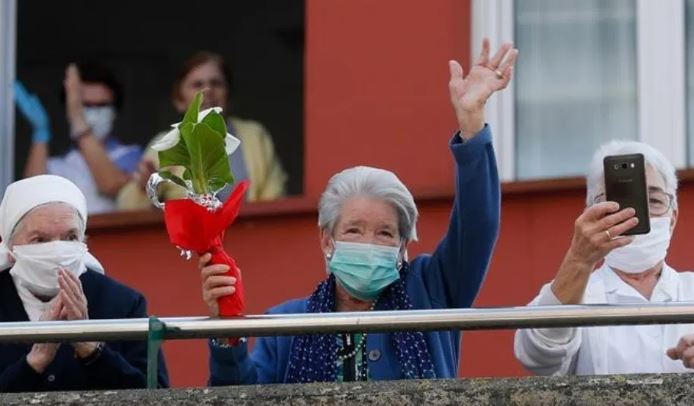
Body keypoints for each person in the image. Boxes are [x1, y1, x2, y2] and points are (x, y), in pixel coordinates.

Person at [200, 39, 517, 384]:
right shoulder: (286, 324)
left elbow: (478, 226)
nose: (369, 243)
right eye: (353, 230)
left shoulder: (431, 290)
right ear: (327, 239)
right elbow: (239, 395)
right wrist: (226, 328)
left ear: (402, 245)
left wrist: (471, 122)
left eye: (385, 233)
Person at [514, 140, 694, 375]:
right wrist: (578, 259)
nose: (636, 216)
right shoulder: (572, 294)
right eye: (617, 202)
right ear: (592, 215)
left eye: (654, 201)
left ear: (672, 219)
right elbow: (539, 355)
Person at [0, 175, 168, 391]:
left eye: (70, 237)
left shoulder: (123, 303)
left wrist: (90, 346)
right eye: (40, 240)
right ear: (11, 248)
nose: (57, 250)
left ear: (83, 241)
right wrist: (35, 362)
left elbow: (156, 393)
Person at [117, 51, 287, 209]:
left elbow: (275, 197)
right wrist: (145, 188)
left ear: (228, 93)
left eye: (216, 83)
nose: (208, 91)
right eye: (197, 85)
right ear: (180, 100)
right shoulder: (167, 142)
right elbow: (127, 208)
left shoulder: (255, 135)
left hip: (248, 238)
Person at [16, 62, 142, 214]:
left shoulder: (131, 155)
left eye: (102, 105)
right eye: (85, 105)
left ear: (115, 110)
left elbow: (112, 185)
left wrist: (79, 122)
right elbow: (29, 203)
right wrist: (40, 134)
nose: (94, 112)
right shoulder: (57, 165)